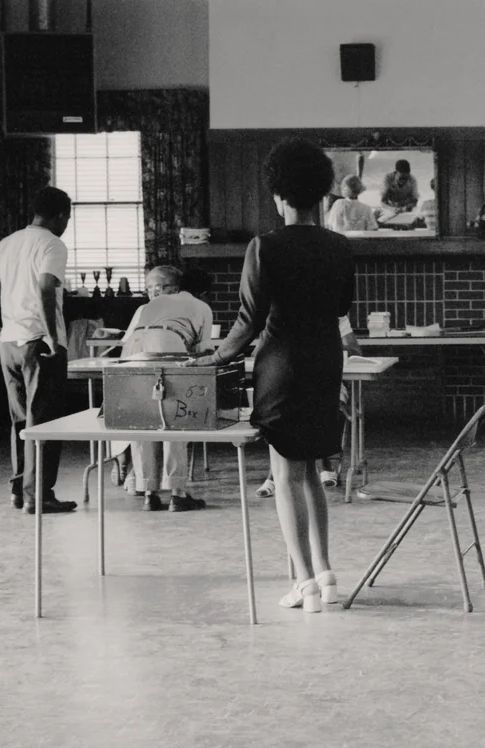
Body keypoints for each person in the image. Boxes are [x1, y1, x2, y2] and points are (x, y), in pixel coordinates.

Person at [188, 137, 354, 614]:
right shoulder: (340, 247)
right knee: (313, 474)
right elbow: (342, 307)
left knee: (285, 474)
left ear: (279, 197)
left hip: (281, 365)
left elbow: (249, 321)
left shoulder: (265, 246)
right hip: (325, 362)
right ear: (322, 195)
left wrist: (215, 359)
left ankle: (302, 583)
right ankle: (326, 576)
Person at [0, 186, 77, 515]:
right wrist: (52, 337)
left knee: (20, 419)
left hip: (9, 345)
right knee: (44, 420)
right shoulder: (52, 244)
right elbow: (45, 287)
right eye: (67, 218)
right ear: (60, 215)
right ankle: (39, 495)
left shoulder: (9, 242)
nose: (66, 223)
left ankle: (19, 490)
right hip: (38, 343)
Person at [116, 265, 213, 512]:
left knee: (144, 419)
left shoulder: (148, 306)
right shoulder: (202, 307)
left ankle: (149, 492)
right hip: (167, 346)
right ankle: (178, 494)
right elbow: (203, 351)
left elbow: (126, 339)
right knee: (176, 417)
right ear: (203, 292)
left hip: (134, 352)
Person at [255, 315, 361, 497]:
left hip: (328, 382)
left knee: (314, 402)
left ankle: (318, 465)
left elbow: (354, 350)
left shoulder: (335, 315)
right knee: (279, 404)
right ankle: (285, 471)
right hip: (291, 380)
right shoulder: (281, 312)